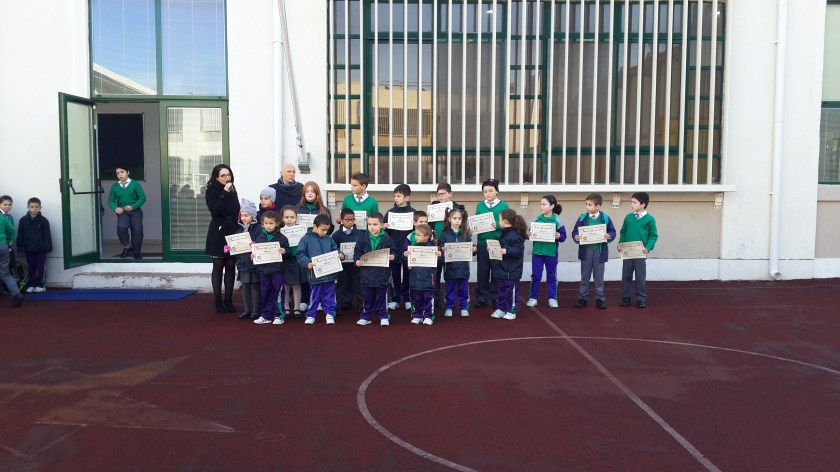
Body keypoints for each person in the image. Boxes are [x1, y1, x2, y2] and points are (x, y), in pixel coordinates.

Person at [205, 164, 241, 313]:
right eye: (223, 175)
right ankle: (218, 300)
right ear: (216, 178)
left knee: (231, 265)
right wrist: (224, 193)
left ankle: (228, 300)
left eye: (229, 174)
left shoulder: (233, 189)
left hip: (232, 229)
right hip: (218, 230)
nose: (227, 178)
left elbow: (235, 209)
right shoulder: (211, 191)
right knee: (218, 265)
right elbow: (216, 210)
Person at [572, 193, 616, 309]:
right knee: (585, 276)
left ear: (598, 206)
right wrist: (576, 237)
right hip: (586, 251)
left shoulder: (605, 218)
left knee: (599, 277)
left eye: (589, 205)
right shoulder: (582, 218)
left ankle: (600, 299)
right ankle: (582, 298)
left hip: (599, 251)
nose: (587, 207)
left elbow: (612, 231)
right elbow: (575, 231)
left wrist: (610, 236)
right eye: (586, 204)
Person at [296, 180, 333, 313]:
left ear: (317, 194)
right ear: (303, 194)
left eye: (313, 191)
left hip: (320, 245)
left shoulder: (323, 210)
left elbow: (330, 227)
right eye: (307, 191)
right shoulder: (298, 209)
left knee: (320, 274)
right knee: (305, 273)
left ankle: (320, 301)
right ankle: (305, 300)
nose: (310, 194)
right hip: (304, 243)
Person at [297, 215, 340, 325]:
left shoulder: (329, 239)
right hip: (314, 274)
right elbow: (300, 253)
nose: (325, 232)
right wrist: (307, 263)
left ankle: (329, 314)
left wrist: (340, 255)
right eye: (323, 229)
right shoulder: (306, 239)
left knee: (329, 295)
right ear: (314, 227)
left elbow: (335, 250)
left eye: (327, 230)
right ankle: (311, 315)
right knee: (314, 296)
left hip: (330, 274)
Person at [354, 212, 395, 326]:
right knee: (367, 297)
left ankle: (383, 316)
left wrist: (393, 256)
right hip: (366, 274)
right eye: (369, 224)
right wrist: (356, 260)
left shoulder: (387, 239)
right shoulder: (363, 238)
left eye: (375, 224)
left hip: (382, 274)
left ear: (382, 225)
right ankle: (366, 316)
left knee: (382, 297)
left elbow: (394, 251)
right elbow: (357, 251)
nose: (372, 227)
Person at [618, 192, 659, 309]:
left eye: (634, 202)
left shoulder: (650, 219)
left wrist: (648, 247)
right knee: (626, 276)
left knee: (640, 278)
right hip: (627, 253)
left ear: (643, 205)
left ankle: (641, 299)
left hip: (640, 254)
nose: (631, 204)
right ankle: (625, 297)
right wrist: (621, 244)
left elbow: (653, 236)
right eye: (631, 202)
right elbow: (623, 232)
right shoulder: (628, 217)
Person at [526, 195, 567, 308]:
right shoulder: (536, 219)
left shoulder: (557, 220)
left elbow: (563, 236)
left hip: (551, 253)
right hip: (537, 253)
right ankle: (533, 297)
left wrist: (559, 236)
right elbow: (530, 233)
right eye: (540, 204)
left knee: (551, 276)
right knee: (536, 275)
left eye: (544, 204)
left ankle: (552, 298)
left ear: (552, 206)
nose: (541, 206)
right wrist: (529, 233)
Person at [474, 179, 509, 308]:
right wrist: (473, 228)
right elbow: (476, 221)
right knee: (482, 272)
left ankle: (496, 297)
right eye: (485, 191)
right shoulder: (480, 205)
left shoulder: (504, 206)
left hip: (497, 244)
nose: (487, 193)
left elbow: (508, 223)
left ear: (497, 191)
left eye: (490, 191)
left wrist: (498, 225)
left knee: (496, 272)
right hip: (482, 243)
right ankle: (481, 298)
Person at [252, 211, 291, 325]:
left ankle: (279, 315)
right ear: (262, 223)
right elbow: (255, 250)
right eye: (266, 223)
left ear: (277, 223)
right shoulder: (259, 237)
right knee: (265, 292)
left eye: (271, 223)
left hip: (277, 270)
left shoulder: (282, 238)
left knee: (277, 292)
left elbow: (288, 251)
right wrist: (253, 255)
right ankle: (266, 315)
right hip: (263, 270)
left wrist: (284, 251)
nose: (268, 226)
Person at [431, 183, 465, 304]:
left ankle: (450, 301)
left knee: (451, 274)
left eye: (443, 194)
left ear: (450, 194)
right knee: (435, 272)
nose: (440, 196)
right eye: (438, 194)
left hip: (452, 243)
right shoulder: (433, 206)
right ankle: (435, 298)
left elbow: (464, 224)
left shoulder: (459, 208)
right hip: (436, 243)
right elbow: (429, 225)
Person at [490, 209, 527, 320]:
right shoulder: (503, 233)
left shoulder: (515, 235)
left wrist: (506, 251)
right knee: (501, 290)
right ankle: (501, 309)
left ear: (505, 221)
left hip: (512, 270)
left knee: (511, 291)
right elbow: (500, 248)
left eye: (499, 219)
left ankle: (511, 310)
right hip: (502, 268)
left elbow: (519, 251)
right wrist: (493, 249)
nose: (498, 221)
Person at [438, 207, 475, 318]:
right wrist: (441, 248)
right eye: (454, 218)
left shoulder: (466, 234)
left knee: (464, 289)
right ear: (449, 219)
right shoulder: (445, 234)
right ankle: (449, 307)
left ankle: (464, 307)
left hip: (463, 268)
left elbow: (471, 247)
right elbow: (439, 247)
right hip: (450, 268)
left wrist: (474, 249)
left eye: (459, 218)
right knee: (449, 289)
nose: (457, 221)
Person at [384, 184, 415, 311]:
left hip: (408, 249)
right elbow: (385, 231)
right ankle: (395, 299)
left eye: (399, 196)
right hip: (394, 248)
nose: (396, 198)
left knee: (408, 275)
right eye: (395, 196)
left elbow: (417, 231)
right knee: (395, 275)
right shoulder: (390, 213)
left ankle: (408, 299)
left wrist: (415, 225)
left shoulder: (413, 213)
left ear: (406, 198)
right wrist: (385, 227)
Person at [404, 224, 440, 325]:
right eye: (415, 234)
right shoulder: (413, 247)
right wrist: (406, 256)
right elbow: (407, 263)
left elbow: (440, 262)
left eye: (418, 235)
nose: (415, 236)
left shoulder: (433, 248)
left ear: (426, 236)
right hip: (415, 279)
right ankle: (417, 315)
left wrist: (439, 256)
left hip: (428, 279)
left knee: (428, 299)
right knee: (416, 299)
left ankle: (428, 316)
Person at [231, 199, 262, 320]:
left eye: (246, 215)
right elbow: (236, 244)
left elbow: (261, 242)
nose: (243, 218)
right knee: (245, 287)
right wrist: (230, 247)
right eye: (242, 215)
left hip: (254, 263)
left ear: (252, 216)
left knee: (255, 287)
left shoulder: (258, 229)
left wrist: (255, 245)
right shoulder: (239, 229)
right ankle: (247, 310)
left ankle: (256, 310)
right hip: (242, 263)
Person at [108, 166, 146, 259]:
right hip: (122, 212)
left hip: (135, 212)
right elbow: (111, 200)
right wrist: (115, 208)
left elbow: (142, 198)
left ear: (128, 172)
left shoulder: (135, 184)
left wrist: (132, 207)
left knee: (137, 231)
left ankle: (136, 251)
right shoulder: (115, 186)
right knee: (121, 228)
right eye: (118, 173)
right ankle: (127, 246)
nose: (120, 175)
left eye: (122, 172)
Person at [16, 197, 52, 293]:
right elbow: (20, 234)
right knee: (30, 266)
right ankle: (31, 284)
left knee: (40, 266)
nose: (34, 209)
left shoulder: (44, 221)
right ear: (28, 207)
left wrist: (47, 247)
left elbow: (47, 235)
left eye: (36, 207)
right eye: (32, 207)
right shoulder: (23, 220)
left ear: (40, 207)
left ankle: (40, 284)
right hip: (28, 248)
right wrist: (20, 246)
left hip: (41, 249)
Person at [332, 208, 363, 313]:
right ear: (341, 220)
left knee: (359, 285)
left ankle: (362, 306)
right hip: (342, 266)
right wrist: (339, 254)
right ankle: (339, 306)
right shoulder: (336, 235)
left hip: (356, 265)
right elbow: (333, 248)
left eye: (352, 219)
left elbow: (362, 247)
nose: (350, 222)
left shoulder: (359, 234)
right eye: (347, 220)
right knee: (341, 286)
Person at [280, 205, 304, 319]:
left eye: (292, 217)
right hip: (285, 260)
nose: (289, 220)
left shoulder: (301, 230)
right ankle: (286, 307)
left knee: (296, 284)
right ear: (282, 218)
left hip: (297, 259)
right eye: (286, 217)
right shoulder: (280, 231)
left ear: (296, 218)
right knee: (286, 285)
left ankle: (297, 308)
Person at [0, 213, 23, 307]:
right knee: (5, 274)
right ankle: (17, 294)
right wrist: (8, 240)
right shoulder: (1, 217)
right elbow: (11, 229)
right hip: (3, 245)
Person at [0, 195, 14, 296]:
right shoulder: (2, 216)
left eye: (9, 205)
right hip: (3, 244)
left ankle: (3, 289)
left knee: (6, 268)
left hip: (6, 245)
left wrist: (11, 241)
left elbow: (12, 230)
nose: (7, 206)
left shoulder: (9, 216)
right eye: (5, 204)